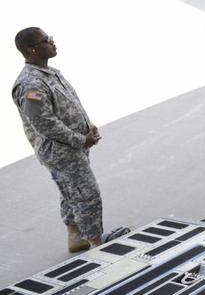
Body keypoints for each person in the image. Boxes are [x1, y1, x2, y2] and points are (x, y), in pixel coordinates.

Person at [11, 28, 129, 253]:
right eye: (46, 40)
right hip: (60, 150)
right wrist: (80, 139)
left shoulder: (49, 72)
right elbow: (44, 123)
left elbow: (67, 105)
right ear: (31, 49)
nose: (53, 42)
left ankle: (76, 237)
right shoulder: (30, 83)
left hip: (72, 146)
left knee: (71, 190)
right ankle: (97, 245)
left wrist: (88, 125)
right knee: (87, 194)